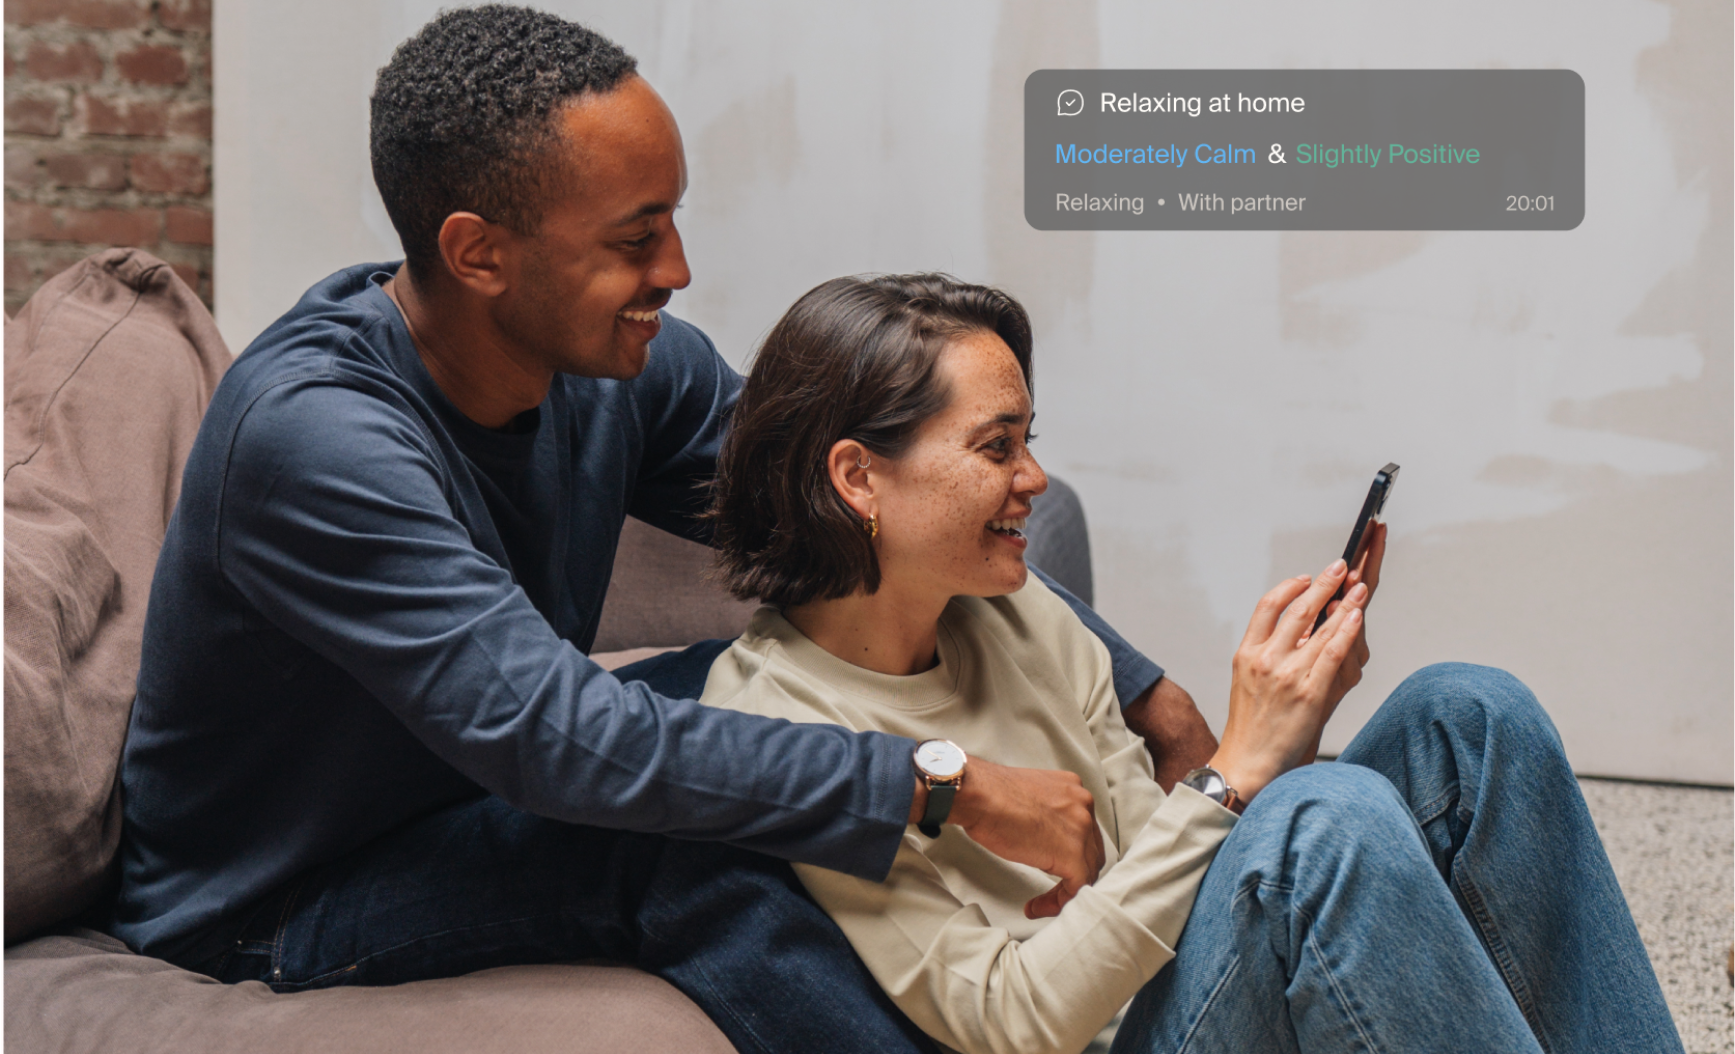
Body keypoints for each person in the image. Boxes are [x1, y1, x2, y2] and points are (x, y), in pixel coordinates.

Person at [107, 9, 1209, 1054]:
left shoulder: (617, 369)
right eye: (637, 239)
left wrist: (1133, 679)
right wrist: (943, 781)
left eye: (672, 219)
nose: (676, 271)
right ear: (480, 253)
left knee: (774, 682)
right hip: (286, 895)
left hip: (475, 784)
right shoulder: (317, 439)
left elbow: (868, 507)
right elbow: (556, 736)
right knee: (694, 852)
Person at [700, 272, 1686, 1054]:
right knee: (1315, 820)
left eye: (1027, 441)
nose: (1034, 480)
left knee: (1467, 712)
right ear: (857, 476)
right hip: (1087, 1037)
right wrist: (1235, 775)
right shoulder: (777, 721)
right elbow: (1011, 1017)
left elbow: (1166, 866)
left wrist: (1283, 727)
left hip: (1172, 982)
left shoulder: (1015, 610)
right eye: (996, 446)